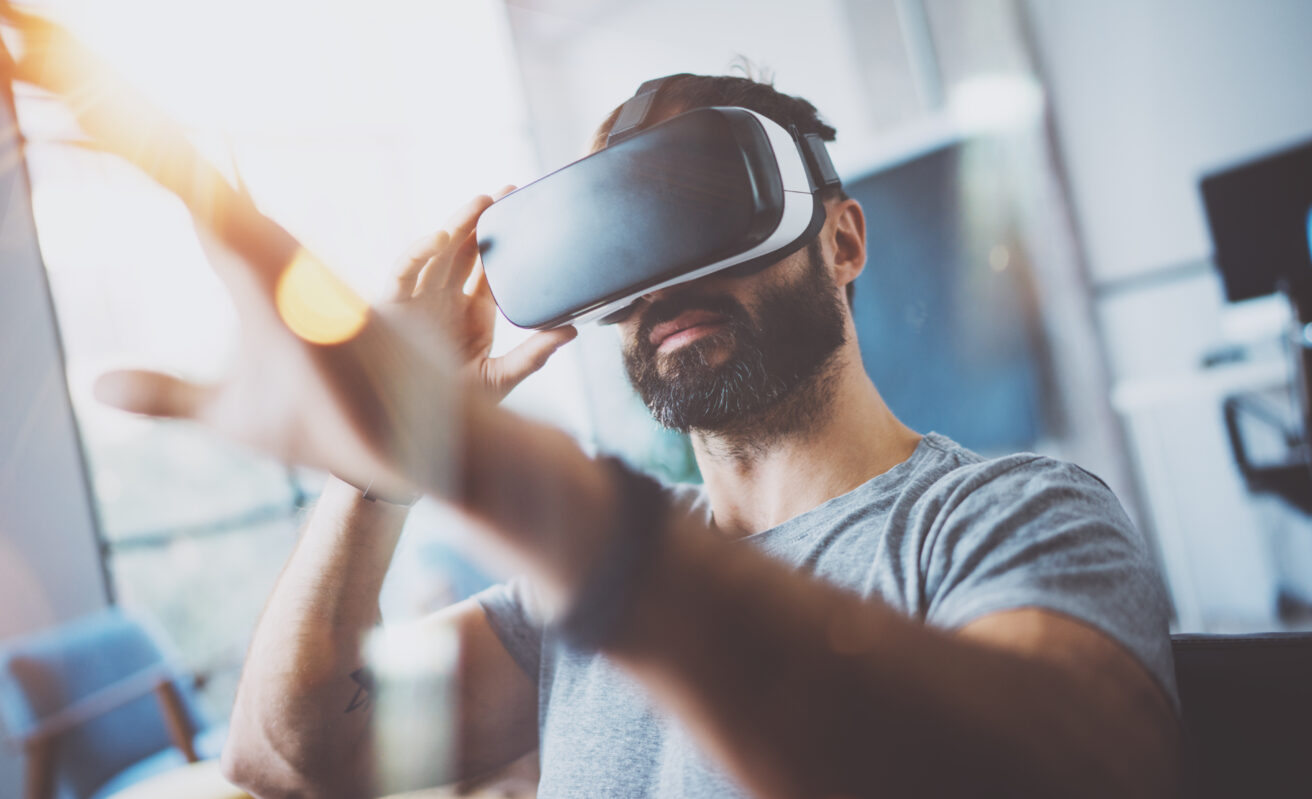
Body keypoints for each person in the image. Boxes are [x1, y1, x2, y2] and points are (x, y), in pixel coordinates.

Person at [204, 74, 1182, 799]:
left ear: (840, 241)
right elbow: (289, 756)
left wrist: (582, 532)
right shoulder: (553, 615)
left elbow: (1083, 770)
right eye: (621, 241)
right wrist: (383, 463)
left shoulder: (1001, 521)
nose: (660, 282)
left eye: (701, 211)